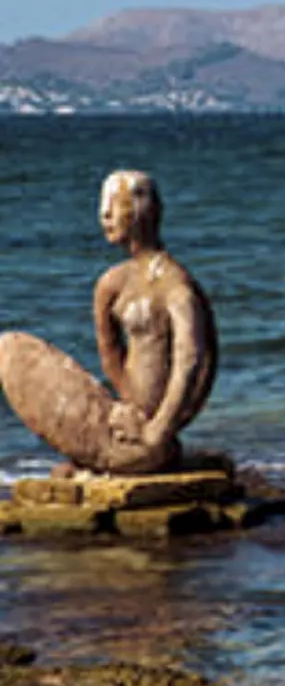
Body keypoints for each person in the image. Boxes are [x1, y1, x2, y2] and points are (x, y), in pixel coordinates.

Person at [0, 170, 217, 474]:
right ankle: (113, 448)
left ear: (142, 212)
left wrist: (161, 427)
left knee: (9, 351)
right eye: (104, 205)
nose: (104, 214)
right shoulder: (111, 284)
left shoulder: (175, 287)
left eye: (115, 204)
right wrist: (127, 405)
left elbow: (192, 360)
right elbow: (110, 355)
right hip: (129, 417)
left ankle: (130, 453)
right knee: (12, 350)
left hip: (155, 429)